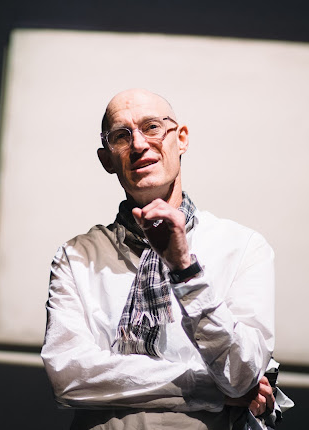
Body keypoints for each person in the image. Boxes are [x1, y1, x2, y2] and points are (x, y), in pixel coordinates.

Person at [41, 88, 293, 429]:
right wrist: (208, 387)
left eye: (152, 127)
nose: (139, 145)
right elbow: (69, 376)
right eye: (121, 136)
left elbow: (240, 374)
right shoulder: (78, 256)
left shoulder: (243, 246)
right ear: (107, 160)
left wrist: (184, 270)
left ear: (182, 138)